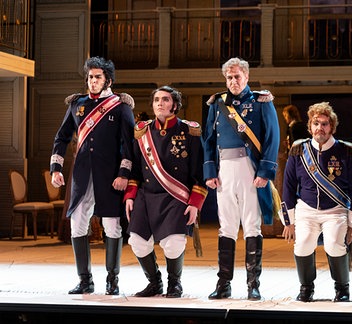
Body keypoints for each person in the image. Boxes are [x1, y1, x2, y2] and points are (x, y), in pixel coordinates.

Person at [50, 56, 135, 295]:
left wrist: (124, 173)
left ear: (107, 80)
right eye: (90, 77)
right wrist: (56, 168)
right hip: (82, 174)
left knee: (112, 226)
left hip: (110, 175)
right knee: (77, 224)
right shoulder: (77, 104)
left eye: (98, 77)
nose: (93, 81)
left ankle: (112, 280)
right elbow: (61, 138)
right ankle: (85, 280)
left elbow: (129, 144)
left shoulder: (120, 106)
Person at [203, 57, 280, 301]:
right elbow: (208, 140)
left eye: (237, 76)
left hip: (249, 168)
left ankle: (252, 284)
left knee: (251, 225)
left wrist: (265, 172)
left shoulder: (260, 101)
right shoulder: (217, 103)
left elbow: (271, 137)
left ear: (246, 76)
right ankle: (223, 284)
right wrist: (209, 172)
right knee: (225, 226)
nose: (233, 81)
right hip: (224, 169)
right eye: (229, 77)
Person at [123, 86, 207, 298]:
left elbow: (199, 171)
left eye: (165, 99)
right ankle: (154, 283)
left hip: (175, 197)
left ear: (175, 105)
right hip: (146, 195)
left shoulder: (189, 131)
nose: (160, 103)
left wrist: (195, 203)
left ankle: (174, 283)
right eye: (157, 100)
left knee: (173, 243)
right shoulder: (142, 132)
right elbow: (134, 169)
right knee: (137, 241)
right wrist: (130, 196)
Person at [281, 102, 352, 303]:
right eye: (316, 123)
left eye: (325, 124)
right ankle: (306, 288)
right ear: (310, 126)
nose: (320, 128)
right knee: (302, 245)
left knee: (335, 245)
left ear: (332, 127)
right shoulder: (298, 151)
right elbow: (288, 186)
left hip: (335, 210)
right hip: (306, 209)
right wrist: (289, 221)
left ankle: (342, 288)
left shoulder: (347, 152)